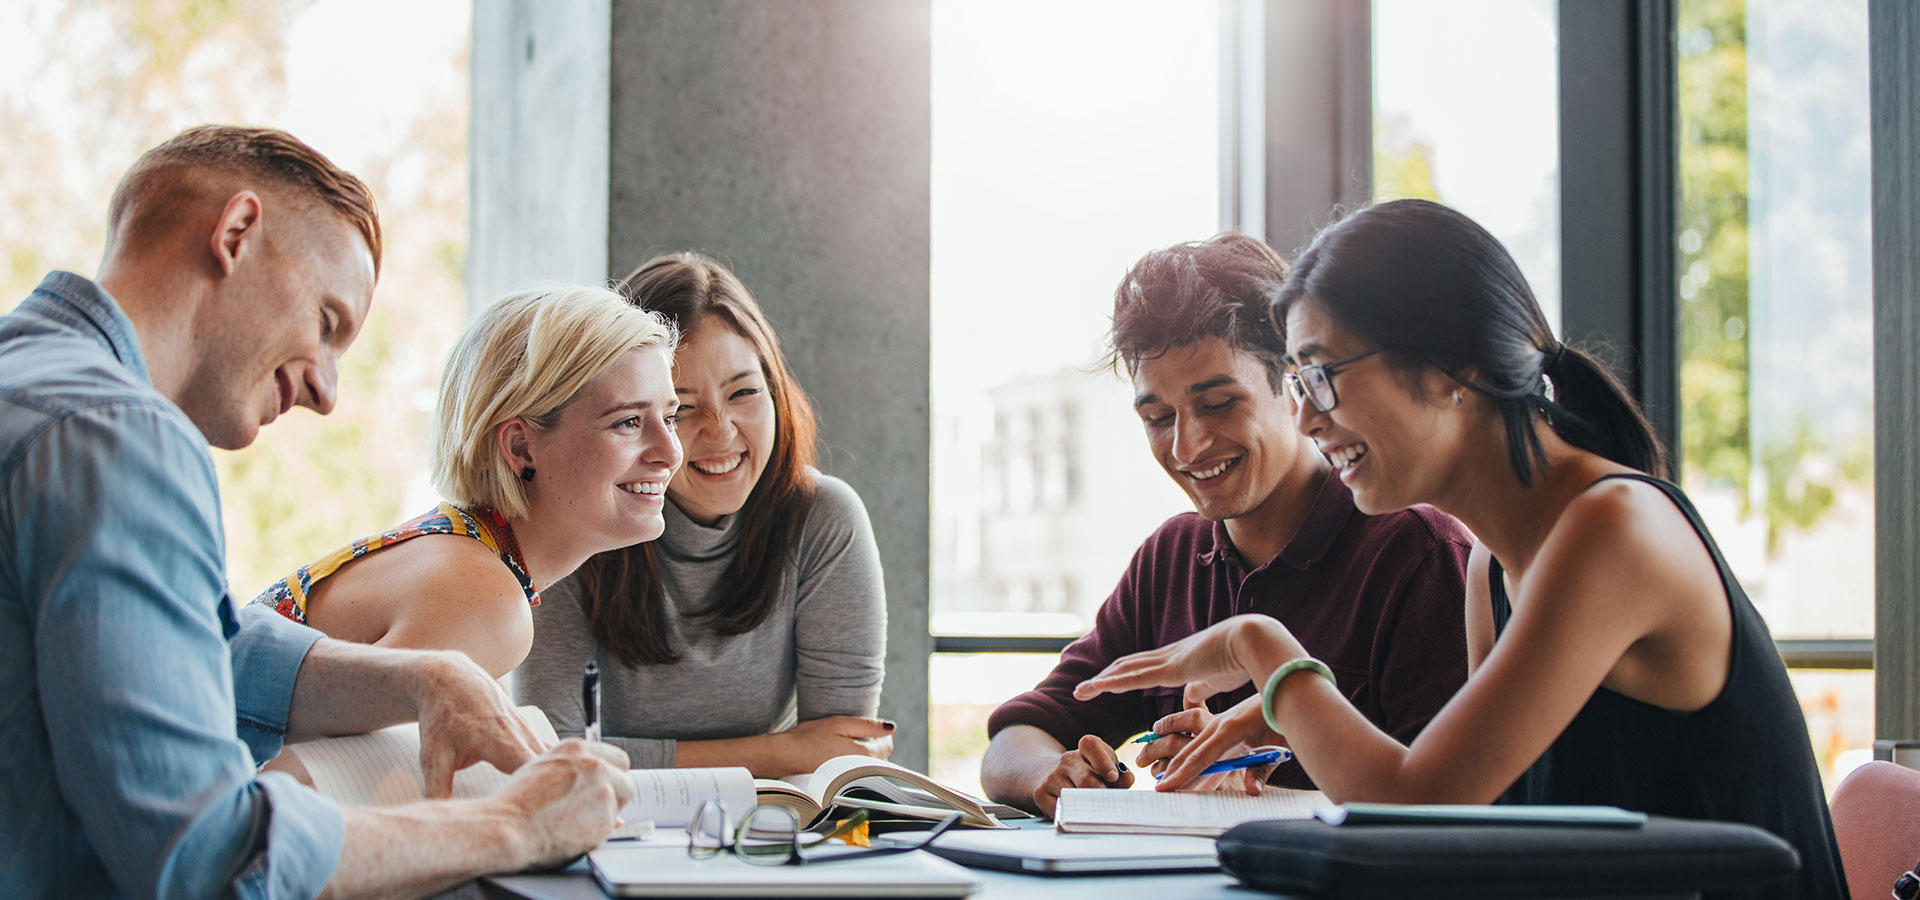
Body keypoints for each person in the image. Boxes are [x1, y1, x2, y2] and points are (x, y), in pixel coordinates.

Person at [1073, 200, 1845, 900]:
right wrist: (1282, 724)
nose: (1307, 420)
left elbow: (1415, 805)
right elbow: (1474, 830)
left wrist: (1262, 649)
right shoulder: (1493, 567)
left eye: (1322, 377)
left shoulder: (1612, 529)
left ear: (1455, 369)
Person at [0, 125, 636, 900]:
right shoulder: (119, 436)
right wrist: (517, 825)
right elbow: (211, 858)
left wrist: (423, 678)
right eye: (328, 323)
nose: (327, 392)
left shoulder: (29, 386)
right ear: (236, 234)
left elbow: (189, 648)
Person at [979, 232, 1473, 819]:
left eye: (1217, 405)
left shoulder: (1416, 552)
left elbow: (1445, 806)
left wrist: (1271, 751)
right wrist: (1051, 774)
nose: (1186, 445)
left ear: (1294, 387)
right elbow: (1017, 736)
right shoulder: (1172, 558)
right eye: (1158, 417)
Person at [517, 252, 891, 778]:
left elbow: (838, 754)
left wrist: (800, 755)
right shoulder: (576, 520)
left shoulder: (823, 519)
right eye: (681, 408)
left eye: (744, 392)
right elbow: (552, 754)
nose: (720, 432)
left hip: (773, 830)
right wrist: (778, 751)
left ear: (776, 391)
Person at [251, 282, 683, 678]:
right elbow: (290, 763)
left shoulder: (465, 552)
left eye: (670, 417)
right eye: (628, 422)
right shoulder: (484, 603)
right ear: (519, 448)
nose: (671, 452)